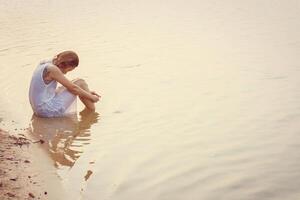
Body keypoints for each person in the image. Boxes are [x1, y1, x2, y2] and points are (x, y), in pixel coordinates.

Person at [29, 50, 100, 117]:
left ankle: (90, 114)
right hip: (45, 110)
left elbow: (69, 87)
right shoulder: (52, 69)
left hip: (38, 109)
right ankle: (92, 114)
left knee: (78, 84)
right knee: (80, 82)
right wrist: (92, 97)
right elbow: (73, 88)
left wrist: (87, 92)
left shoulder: (45, 62)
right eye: (68, 70)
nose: (66, 73)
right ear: (62, 65)